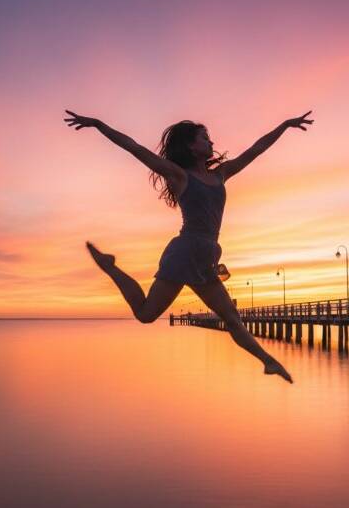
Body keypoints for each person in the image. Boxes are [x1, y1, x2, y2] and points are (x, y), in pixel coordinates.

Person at [64, 109, 314, 383]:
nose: (211, 143)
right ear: (190, 146)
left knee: (232, 318)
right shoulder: (179, 175)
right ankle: (110, 267)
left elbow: (257, 149)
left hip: (206, 256)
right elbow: (134, 148)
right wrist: (98, 124)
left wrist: (285, 125)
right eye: (204, 138)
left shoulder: (221, 174)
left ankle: (269, 362)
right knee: (146, 314)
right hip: (185, 253)